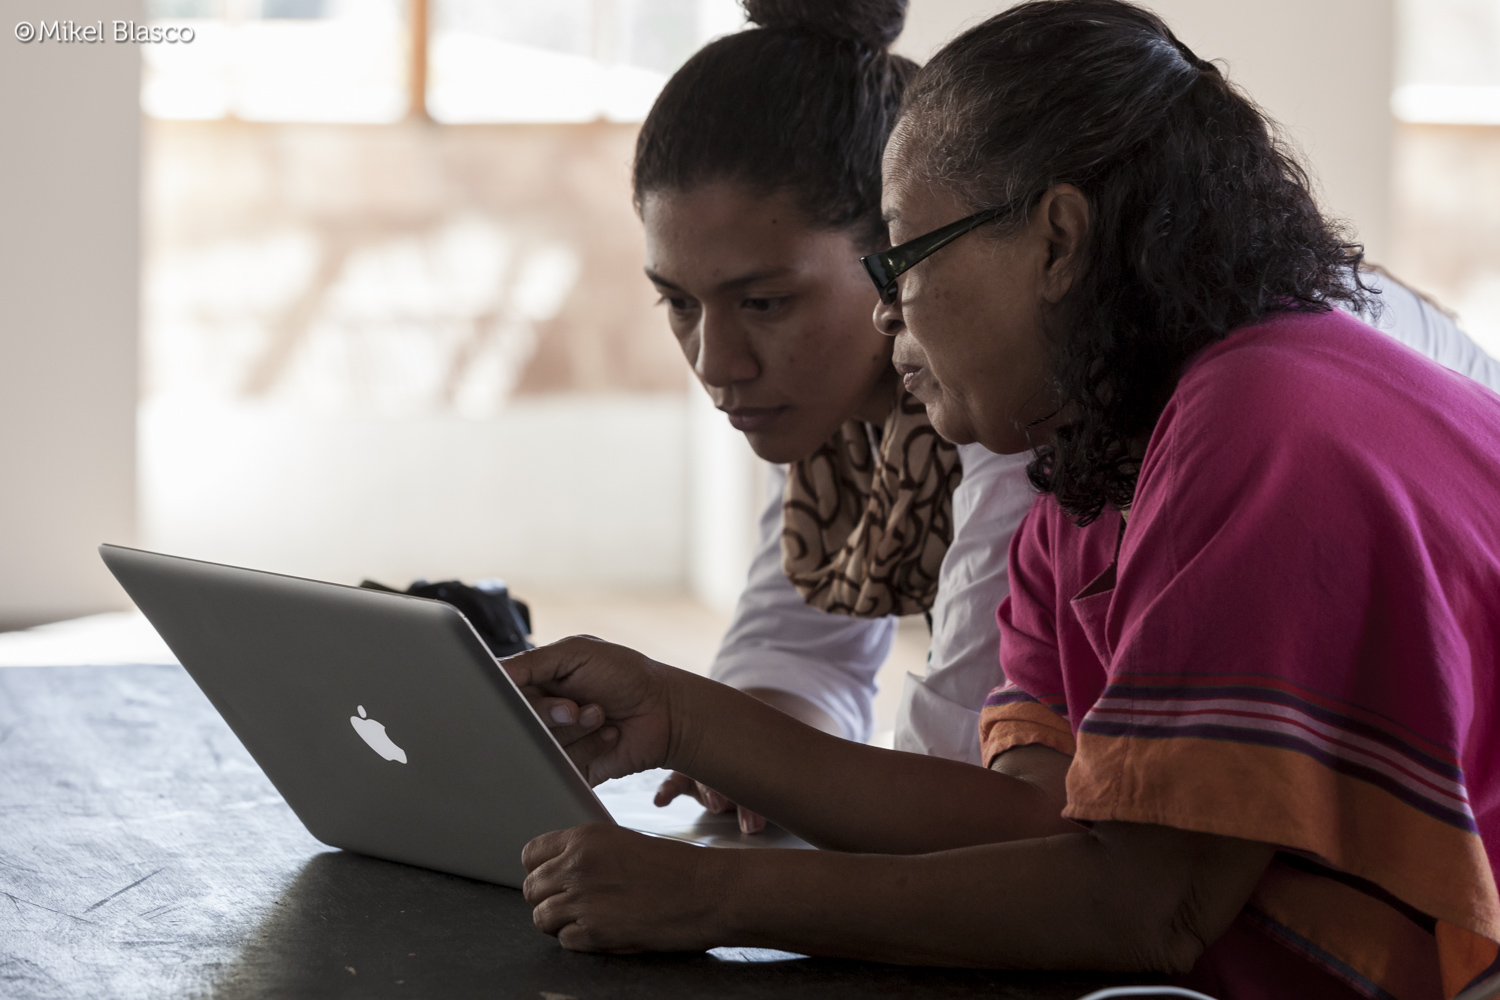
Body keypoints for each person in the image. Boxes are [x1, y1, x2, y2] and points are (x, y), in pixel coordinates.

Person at [510, 2, 1500, 995]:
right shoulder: (1081, 477)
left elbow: (1149, 907)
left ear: (1058, 242)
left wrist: (714, 896)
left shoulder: (1259, 417)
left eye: (905, 258)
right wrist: (677, 714)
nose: (886, 313)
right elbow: (1036, 825)